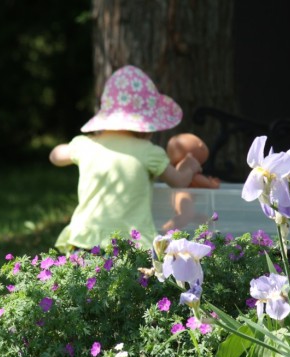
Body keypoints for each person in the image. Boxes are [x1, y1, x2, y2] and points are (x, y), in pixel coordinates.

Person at [49, 65, 201, 253]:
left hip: (86, 238)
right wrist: (189, 167)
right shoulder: (149, 151)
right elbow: (179, 181)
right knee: (129, 282)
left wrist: (67, 148)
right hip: (130, 242)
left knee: (87, 281)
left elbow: (55, 156)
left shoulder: (85, 145)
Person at [161, 133, 221, 231]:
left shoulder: (181, 167)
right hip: (184, 197)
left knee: (190, 215)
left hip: (180, 197)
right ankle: (167, 229)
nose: (201, 146)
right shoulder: (189, 167)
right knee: (185, 216)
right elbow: (197, 180)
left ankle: (194, 218)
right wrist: (211, 184)